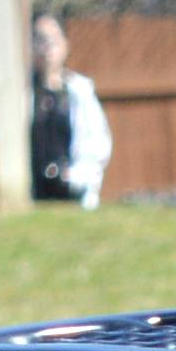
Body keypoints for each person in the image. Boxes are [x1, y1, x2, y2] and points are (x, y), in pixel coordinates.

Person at [26, 13, 110, 208]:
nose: (46, 47)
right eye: (39, 40)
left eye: (52, 40)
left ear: (65, 45)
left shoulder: (80, 92)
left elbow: (98, 144)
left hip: (72, 191)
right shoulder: (21, 95)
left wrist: (75, 176)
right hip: (34, 194)